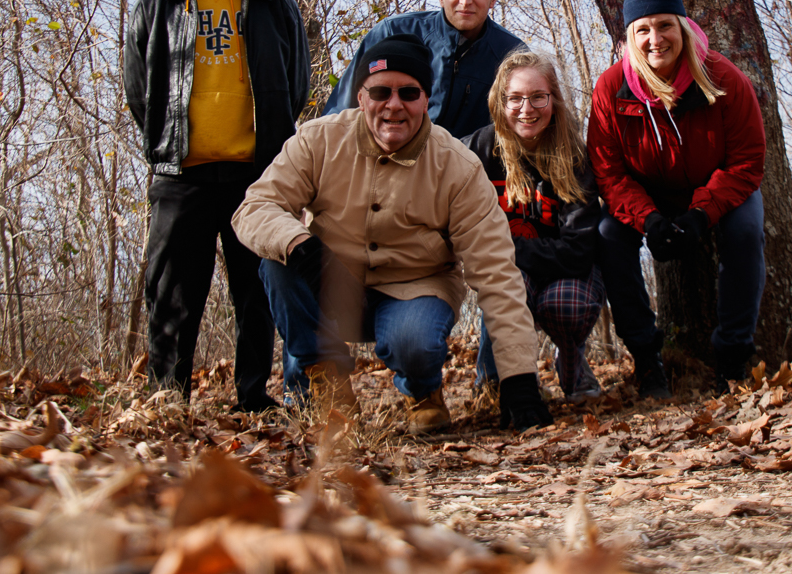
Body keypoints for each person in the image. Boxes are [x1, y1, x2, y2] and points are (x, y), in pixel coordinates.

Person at [232, 33, 553, 434]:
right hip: (331, 280)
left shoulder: (457, 165)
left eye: (409, 92)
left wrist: (519, 380)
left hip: (416, 289)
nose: (394, 105)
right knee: (276, 263)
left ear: (426, 98)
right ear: (361, 96)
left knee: (413, 340)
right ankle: (328, 384)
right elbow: (255, 208)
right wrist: (303, 248)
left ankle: (422, 391)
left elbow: (497, 273)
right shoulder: (318, 140)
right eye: (380, 91)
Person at [124, 0, 310, 411]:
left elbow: (295, 84)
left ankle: (253, 396)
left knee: (257, 292)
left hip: (256, 177)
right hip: (182, 173)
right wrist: (169, 142)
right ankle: (166, 399)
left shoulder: (273, 5)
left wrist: (270, 141)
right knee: (173, 293)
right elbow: (140, 91)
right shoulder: (157, 6)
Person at [586, 0, 766, 397]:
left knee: (745, 231)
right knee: (609, 234)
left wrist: (702, 215)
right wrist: (648, 220)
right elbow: (607, 171)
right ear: (630, 36)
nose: (655, 39)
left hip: (717, 189)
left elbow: (747, 162)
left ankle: (733, 359)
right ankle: (648, 360)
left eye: (665, 25)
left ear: (682, 28)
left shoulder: (723, 79)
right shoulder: (610, 90)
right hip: (647, 196)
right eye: (643, 29)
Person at [460, 50, 605, 403]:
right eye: (516, 98)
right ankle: (502, 378)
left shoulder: (574, 157)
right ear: (500, 101)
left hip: (563, 273)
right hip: (510, 271)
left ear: (553, 100)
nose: (527, 109)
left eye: (538, 97)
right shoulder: (476, 152)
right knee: (508, 287)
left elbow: (579, 251)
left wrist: (509, 248)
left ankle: (573, 365)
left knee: (568, 305)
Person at [324, 0, 524, 138]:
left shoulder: (512, 55)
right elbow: (340, 113)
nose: (465, 0)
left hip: (468, 166)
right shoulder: (392, 33)